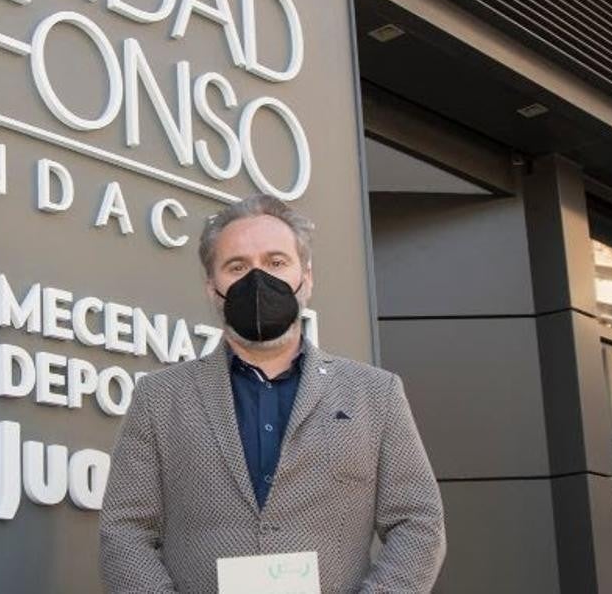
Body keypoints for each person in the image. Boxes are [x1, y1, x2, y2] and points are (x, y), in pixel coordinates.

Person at [99, 194, 446, 593]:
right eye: (237, 266)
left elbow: (418, 521)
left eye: (276, 262)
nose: (257, 279)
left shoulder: (375, 394)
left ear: (307, 277)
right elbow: (125, 529)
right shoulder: (159, 398)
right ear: (213, 288)